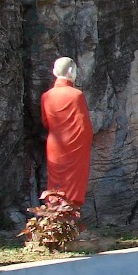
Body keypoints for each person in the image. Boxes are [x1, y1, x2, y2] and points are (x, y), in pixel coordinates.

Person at [41, 57, 93, 208]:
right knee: (73, 180)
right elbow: (84, 125)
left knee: (56, 181)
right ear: (71, 71)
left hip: (55, 143)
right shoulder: (76, 95)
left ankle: (55, 212)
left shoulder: (47, 96)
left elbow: (46, 122)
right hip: (75, 143)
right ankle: (69, 214)